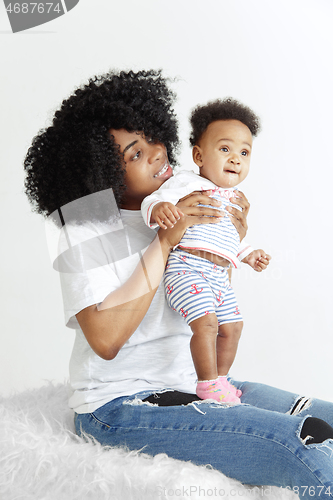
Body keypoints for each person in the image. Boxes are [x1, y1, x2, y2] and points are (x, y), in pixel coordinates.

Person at [24, 69, 333, 498]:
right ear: (99, 169)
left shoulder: (193, 197)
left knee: (329, 422)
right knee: (310, 451)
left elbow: (199, 292)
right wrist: (166, 240)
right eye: (133, 154)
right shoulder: (83, 227)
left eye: (153, 137)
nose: (155, 153)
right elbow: (106, 339)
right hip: (118, 406)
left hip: (194, 382)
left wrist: (227, 242)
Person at [141, 98, 271, 403]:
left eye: (244, 152)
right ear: (199, 155)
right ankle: (207, 383)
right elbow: (154, 199)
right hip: (187, 268)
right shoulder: (187, 183)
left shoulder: (236, 198)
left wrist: (249, 253)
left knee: (233, 326)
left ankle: (220, 379)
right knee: (208, 325)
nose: (235, 159)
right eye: (225, 149)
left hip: (218, 276)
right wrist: (159, 207)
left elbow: (228, 237)